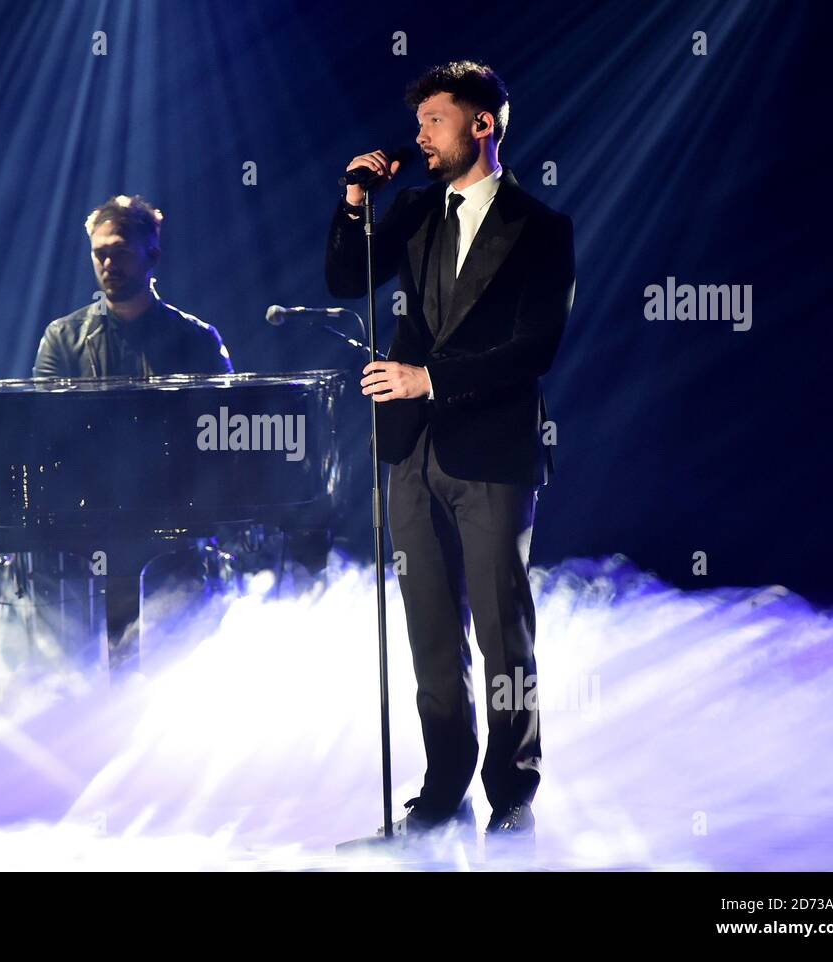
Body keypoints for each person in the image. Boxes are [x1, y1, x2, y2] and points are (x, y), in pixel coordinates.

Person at [325, 61, 576, 844]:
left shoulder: (540, 229)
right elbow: (343, 278)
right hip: (411, 452)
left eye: (434, 119)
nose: (419, 136)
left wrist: (428, 378)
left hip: (492, 451)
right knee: (430, 626)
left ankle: (512, 790)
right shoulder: (416, 209)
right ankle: (442, 787)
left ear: (482, 126)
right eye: (420, 121)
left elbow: (534, 348)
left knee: (502, 631)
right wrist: (356, 202)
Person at [35, 195, 232, 378]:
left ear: (153, 256)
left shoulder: (199, 340)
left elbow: (225, 411)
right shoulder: (61, 338)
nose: (109, 264)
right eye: (100, 254)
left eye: (121, 252)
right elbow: (45, 413)